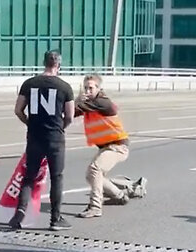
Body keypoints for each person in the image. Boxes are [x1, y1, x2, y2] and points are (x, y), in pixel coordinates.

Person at [9, 50, 75, 231]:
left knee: (29, 176)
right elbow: (70, 115)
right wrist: (60, 127)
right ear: (58, 65)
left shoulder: (29, 84)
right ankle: (55, 219)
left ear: (44, 63)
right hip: (55, 138)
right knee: (57, 177)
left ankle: (19, 215)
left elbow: (18, 110)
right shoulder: (65, 87)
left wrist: (30, 123)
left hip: (34, 137)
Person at [74, 74, 147, 218]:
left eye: (91, 88)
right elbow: (71, 112)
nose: (88, 91)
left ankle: (95, 207)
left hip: (118, 146)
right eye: (86, 88)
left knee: (95, 169)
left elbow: (75, 106)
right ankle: (121, 195)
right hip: (105, 148)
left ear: (99, 88)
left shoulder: (102, 102)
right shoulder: (88, 103)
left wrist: (76, 100)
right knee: (91, 176)